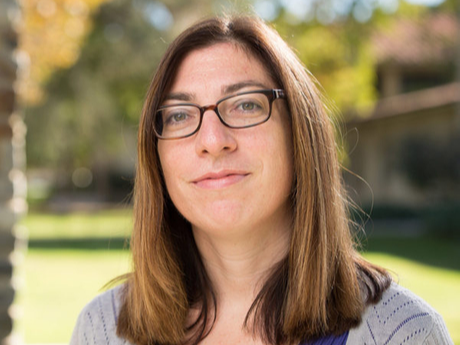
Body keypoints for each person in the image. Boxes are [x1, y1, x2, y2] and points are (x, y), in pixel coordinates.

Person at [70, 15, 453, 345]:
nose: (212, 141)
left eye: (246, 104)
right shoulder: (105, 330)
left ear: (299, 134)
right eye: (180, 115)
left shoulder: (401, 333)